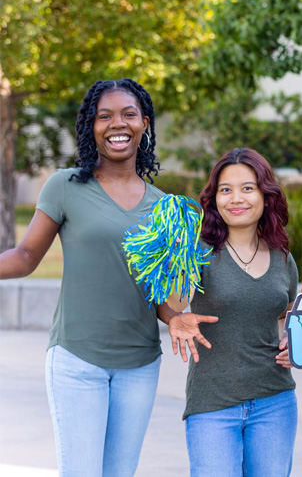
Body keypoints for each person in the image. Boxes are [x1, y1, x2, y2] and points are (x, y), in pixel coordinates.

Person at [0, 78, 189, 476]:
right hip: (76, 360)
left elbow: (162, 299)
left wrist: (177, 317)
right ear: (91, 126)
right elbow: (26, 255)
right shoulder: (66, 186)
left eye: (128, 114)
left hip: (139, 364)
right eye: (104, 116)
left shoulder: (165, 208)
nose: (116, 124)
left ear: (145, 123)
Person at [159, 148, 299, 477]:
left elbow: (287, 311)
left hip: (274, 401)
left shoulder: (282, 256)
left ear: (266, 195)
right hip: (213, 404)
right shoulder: (198, 250)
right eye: (226, 189)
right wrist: (179, 254)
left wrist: (298, 342)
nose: (236, 198)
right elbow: (176, 304)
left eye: (247, 188)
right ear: (214, 198)